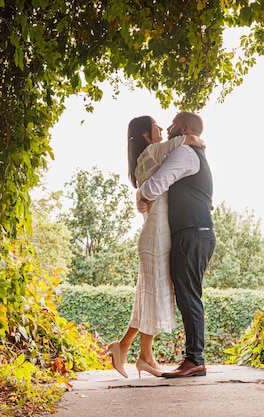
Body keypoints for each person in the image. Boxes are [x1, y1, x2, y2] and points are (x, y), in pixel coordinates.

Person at [104, 115, 204, 378]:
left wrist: (140, 195)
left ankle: (127, 348)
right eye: (157, 126)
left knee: (148, 294)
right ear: (147, 135)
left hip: (156, 232)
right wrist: (193, 138)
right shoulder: (153, 150)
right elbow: (182, 141)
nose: (162, 129)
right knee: (153, 294)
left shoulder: (144, 157)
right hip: (157, 234)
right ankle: (141, 355)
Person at [136, 111, 216, 378]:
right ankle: (193, 358)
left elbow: (154, 187)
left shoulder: (184, 154)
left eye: (171, 125)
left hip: (192, 233)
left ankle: (194, 359)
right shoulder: (192, 152)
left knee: (189, 296)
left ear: (184, 128)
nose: (168, 128)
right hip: (195, 231)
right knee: (187, 294)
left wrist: (141, 192)